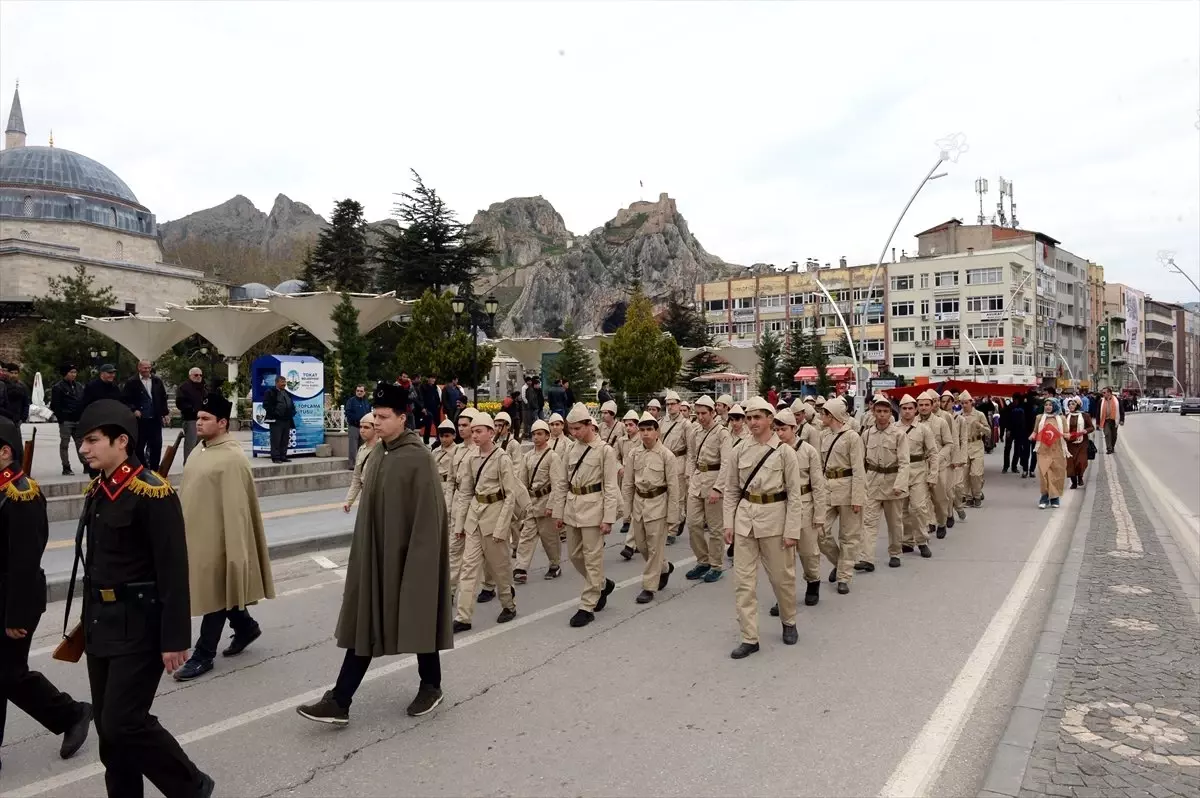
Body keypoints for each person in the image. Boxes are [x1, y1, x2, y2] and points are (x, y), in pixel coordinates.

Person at [73, 399, 214, 797]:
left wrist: (174, 638)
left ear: (121, 442)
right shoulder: (100, 489)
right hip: (102, 624)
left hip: (140, 623)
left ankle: (191, 785)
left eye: (92, 441)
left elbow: (173, 569)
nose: (84, 449)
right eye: (82, 442)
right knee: (108, 729)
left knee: (124, 721)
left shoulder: (152, 493)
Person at [297, 383, 452, 725]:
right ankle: (340, 700)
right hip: (376, 556)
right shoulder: (378, 453)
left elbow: (429, 518)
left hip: (409, 558)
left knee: (417, 616)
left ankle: (431, 685)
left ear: (402, 417)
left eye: (383, 417)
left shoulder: (419, 458)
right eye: (374, 417)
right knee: (367, 621)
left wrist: (419, 567)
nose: (376, 423)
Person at [0, 417, 93, 773]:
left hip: (13, 599)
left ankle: (71, 713)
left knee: (9, 674)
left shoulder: (22, 495)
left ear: (6, 452)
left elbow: (25, 561)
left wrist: (16, 616)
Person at [173, 394, 274, 682]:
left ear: (222, 422)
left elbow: (236, 509)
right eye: (198, 418)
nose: (199, 423)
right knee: (218, 588)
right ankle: (245, 627)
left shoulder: (232, 457)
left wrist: (234, 547)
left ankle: (204, 654)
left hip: (221, 537)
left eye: (205, 419)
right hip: (196, 533)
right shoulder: (200, 450)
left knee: (216, 590)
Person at [721, 397, 803, 659]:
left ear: (770, 419)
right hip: (745, 521)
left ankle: (788, 620)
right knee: (743, 582)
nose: (753, 422)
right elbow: (732, 490)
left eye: (758, 417)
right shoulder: (739, 450)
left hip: (775, 521)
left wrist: (792, 531)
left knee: (782, 578)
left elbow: (794, 495)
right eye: (749, 417)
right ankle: (749, 637)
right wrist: (729, 523)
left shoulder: (785, 452)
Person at [451, 413, 519, 632]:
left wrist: (502, 528)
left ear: (491, 432)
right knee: (469, 568)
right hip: (474, 518)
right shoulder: (471, 458)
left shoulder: (502, 458)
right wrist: (460, 525)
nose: (475, 435)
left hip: (495, 517)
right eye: (473, 431)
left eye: (479, 431)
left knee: (500, 569)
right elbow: (465, 493)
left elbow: (510, 496)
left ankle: (508, 604)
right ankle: (463, 617)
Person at [559, 403, 620, 628]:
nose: (573, 433)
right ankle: (602, 584)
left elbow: (611, 486)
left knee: (593, 558)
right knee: (575, 556)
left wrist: (608, 517)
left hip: (595, 507)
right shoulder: (571, 449)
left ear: (588, 425)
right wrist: (559, 512)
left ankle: (588, 604)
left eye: (577, 429)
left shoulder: (605, 451)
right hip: (573, 507)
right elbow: (562, 483)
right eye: (571, 429)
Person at [766, 407, 827, 612]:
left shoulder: (808, 451)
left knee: (809, 553)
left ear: (794, 428)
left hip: (805, 505)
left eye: (783, 429)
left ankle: (813, 582)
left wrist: (820, 515)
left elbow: (818, 485)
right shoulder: (772, 451)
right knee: (783, 558)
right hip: (781, 507)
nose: (779, 433)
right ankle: (784, 597)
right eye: (776, 429)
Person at [621, 412, 679, 603]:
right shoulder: (633, 453)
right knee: (642, 545)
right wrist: (626, 511)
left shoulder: (666, 456)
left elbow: (673, 488)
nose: (645, 434)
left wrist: (672, 517)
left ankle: (648, 586)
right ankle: (663, 567)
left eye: (649, 430)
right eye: (642, 430)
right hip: (639, 504)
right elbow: (628, 484)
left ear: (657, 432)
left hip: (658, 504)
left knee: (654, 548)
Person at [857, 395, 911, 572]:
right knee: (868, 522)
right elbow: (861, 462)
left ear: (890, 413)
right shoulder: (866, 434)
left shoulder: (899, 434)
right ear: (873, 412)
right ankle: (867, 558)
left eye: (885, 411)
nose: (881, 415)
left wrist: (900, 484)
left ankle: (895, 553)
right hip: (872, 481)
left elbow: (904, 462)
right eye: (878, 411)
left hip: (892, 482)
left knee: (894, 523)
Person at [818, 397, 865, 595]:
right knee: (819, 532)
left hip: (847, 488)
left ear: (833, 415)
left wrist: (857, 498)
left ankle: (844, 576)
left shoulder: (852, 437)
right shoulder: (824, 436)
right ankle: (840, 562)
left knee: (849, 536)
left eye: (824, 413)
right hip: (828, 488)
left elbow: (858, 469)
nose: (821, 416)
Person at [685, 396, 731, 584]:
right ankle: (702, 560)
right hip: (697, 480)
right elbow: (692, 455)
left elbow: (726, 462)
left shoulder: (722, 433)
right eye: (698, 413)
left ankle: (715, 565)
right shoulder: (696, 432)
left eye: (704, 413)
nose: (701, 417)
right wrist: (690, 475)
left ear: (713, 412)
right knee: (693, 523)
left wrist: (718, 488)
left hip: (714, 479)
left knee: (715, 528)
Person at [514, 419, 566, 582]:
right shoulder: (528, 456)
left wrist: (552, 506)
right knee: (526, 536)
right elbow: (522, 481)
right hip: (531, 502)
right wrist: (521, 503)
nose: (536, 437)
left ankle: (554, 564)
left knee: (549, 538)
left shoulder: (552, 457)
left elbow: (557, 484)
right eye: (534, 434)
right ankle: (521, 568)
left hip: (546, 501)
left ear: (547, 436)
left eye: (539, 434)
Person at [897, 394, 937, 559]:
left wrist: (933, 475)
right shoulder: (893, 428)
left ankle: (922, 541)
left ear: (915, 410)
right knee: (903, 509)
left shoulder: (923, 429)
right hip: (900, 473)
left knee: (919, 508)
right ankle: (907, 541)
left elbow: (933, 453)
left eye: (910, 408)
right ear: (900, 410)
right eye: (904, 408)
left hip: (918, 470)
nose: (907, 412)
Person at [121, 360, 170, 473]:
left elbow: (162, 398)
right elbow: (125, 399)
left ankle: (154, 470)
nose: (147, 370)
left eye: (149, 368)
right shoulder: (132, 382)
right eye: (144, 368)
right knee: (139, 446)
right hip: (140, 420)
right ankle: (142, 468)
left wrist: (165, 413)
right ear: (139, 368)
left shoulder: (157, 381)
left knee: (156, 445)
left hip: (155, 419)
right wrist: (134, 409)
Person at [660, 391, 692, 545]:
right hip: (664, 460)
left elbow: (691, 449)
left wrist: (688, 469)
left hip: (679, 460)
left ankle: (672, 530)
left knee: (677, 497)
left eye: (673, 404)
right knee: (665, 495)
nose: (670, 407)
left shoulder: (686, 424)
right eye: (668, 404)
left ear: (679, 405)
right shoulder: (662, 422)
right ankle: (671, 522)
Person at [49, 364, 86, 475]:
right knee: (64, 444)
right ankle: (66, 467)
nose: (74, 374)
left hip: (78, 419)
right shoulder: (58, 387)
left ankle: (86, 464)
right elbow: (55, 405)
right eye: (71, 372)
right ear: (65, 373)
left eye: (75, 372)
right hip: (66, 420)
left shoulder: (79, 386)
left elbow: (82, 400)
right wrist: (61, 418)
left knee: (81, 443)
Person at [1031, 398, 1067, 509]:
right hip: (1043, 450)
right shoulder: (1039, 418)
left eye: (1050, 405)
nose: (1048, 406)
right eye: (1046, 404)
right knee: (1044, 474)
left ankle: (1055, 498)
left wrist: (1063, 434)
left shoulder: (1061, 418)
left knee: (1056, 474)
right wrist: (1032, 435)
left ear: (1055, 406)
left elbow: (1066, 433)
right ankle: (1044, 497)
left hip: (1057, 450)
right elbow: (1035, 431)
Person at [616, 410, 642, 560]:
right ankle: (638, 542)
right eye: (626, 425)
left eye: (631, 425)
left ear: (637, 425)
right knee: (631, 510)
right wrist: (619, 467)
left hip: (640, 477)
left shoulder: (642, 439)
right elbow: (616, 457)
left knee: (637, 512)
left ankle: (630, 545)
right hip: (626, 478)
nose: (628, 428)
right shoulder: (621, 441)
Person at [957, 391, 990, 508]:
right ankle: (969, 497)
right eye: (962, 403)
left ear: (971, 402)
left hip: (976, 445)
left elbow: (988, 431)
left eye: (966, 403)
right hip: (964, 446)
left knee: (976, 473)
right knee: (964, 474)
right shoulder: (959, 416)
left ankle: (977, 494)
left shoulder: (979, 415)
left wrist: (980, 426)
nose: (964, 405)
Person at [344, 413, 377, 512]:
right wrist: (348, 501)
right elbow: (357, 479)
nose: (362, 430)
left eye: (366, 427)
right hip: (366, 496)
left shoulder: (383, 449)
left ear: (375, 429)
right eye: (361, 427)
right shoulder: (362, 449)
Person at [262, 375, 296, 463]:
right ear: (276, 383)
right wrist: (275, 413)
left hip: (287, 420)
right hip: (276, 420)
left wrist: (292, 412)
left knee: (285, 440)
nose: (284, 384)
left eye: (284, 382)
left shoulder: (287, 393)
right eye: (282, 382)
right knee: (276, 440)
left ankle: (283, 456)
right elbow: (266, 405)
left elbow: (291, 404)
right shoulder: (270, 392)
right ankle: (276, 457)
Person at [1063, 397, 1095, 489]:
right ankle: (1074, 482)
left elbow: (1091, 427)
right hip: (1070, 443)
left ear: (1078, 405)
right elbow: (1062, 428)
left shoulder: (1085, 416)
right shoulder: (1066, 416)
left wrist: (1085, 430)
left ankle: (1080, 477)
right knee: (1070, 463)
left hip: (1082, 443)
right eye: (1069, 404)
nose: (1070, 406)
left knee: (1081, 462)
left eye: (1073, 404)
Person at [343, 384, 372, 465]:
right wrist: (358, 420)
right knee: (353, 447)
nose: (359, 392)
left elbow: (369, 413)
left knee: (363, 447)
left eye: (361, 391)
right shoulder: (351, 401)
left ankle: (361, 464)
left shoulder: (366, 402)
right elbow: (348, 413)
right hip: (354, 427)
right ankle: (352, 465)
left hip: (365, 428)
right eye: (357, 391)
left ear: (364, 392)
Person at [1098, 386, 1124, 454]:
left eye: (1104, 392)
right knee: (1107, 434)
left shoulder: (1117, 400)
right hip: (1106, 420)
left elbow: (1121, 410)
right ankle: (1109, 449)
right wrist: (1097, 423)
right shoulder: (1101, 401)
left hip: (1114, 420)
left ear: (1109, 393)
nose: (1103, 394)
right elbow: (1098, 412)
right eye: (1102, 392)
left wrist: (1122, 420)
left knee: (1114, 435)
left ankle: (1112, 447)